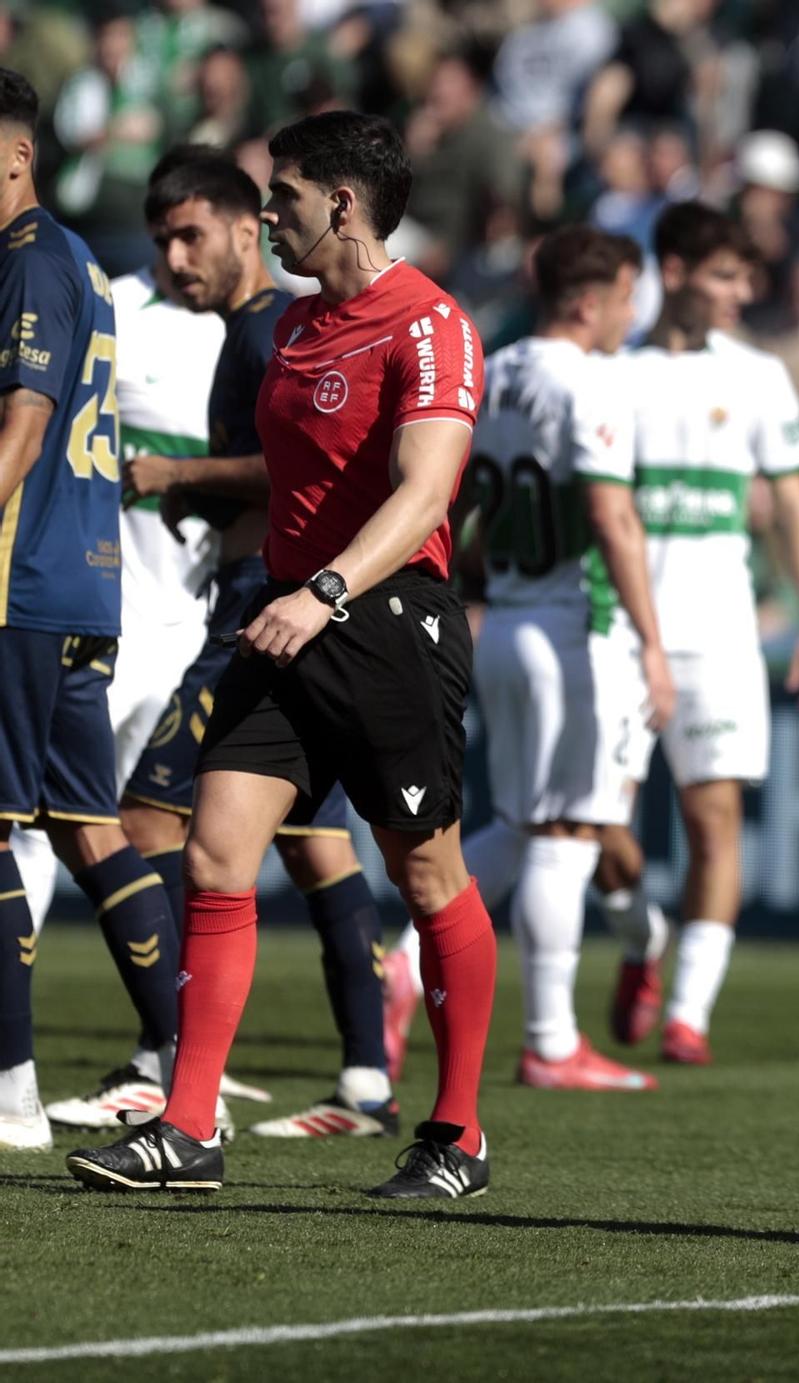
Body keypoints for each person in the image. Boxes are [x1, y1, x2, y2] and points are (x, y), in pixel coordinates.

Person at [66, 110, 495, 1196]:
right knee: (215, 852)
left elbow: (426, 492)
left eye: (285, 196)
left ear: (343, 203)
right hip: (281, 620)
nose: (268, 215)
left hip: (387, 620)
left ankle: (456, 1134)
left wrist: (331, 590)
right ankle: (190, 1126)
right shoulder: (300, 327)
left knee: (426, 868)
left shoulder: (430, 322)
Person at [101, 147, 401, 1141]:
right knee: (314, 844)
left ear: (245, 229)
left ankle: (172, 1066)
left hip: (261, 610)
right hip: (278, 604)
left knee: (145, 825)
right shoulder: (253, 331)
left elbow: (297, 475)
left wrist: (178, 479)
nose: (176, 259)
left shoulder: (274, 330)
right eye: (160, 242)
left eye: (193, 235)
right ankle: (364, 1080)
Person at [597, 202, 799, 1066]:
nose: (743, 293)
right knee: (597, 828)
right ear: (674, 268)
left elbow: (796, 506)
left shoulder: (756, 375)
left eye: (747, 276)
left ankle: (689, 1012)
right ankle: (639, 938)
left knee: (716, 821)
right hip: (618, 631)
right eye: (726, 276)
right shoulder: (611, 371)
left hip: (721, 634)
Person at [0, 67, 185, 1153]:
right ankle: (178, 1066)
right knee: (87, 827)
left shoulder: (28, 265)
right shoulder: (78, 264)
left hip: (17, 583)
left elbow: (23, 427)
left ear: (18, 156)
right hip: (84, 579)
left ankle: (12, 1091)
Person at [457, 224, 674, 1091]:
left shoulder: (497, 368)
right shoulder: (588, 381)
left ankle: (401, 965)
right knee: (567, 832)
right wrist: (654, 646)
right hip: (570, 627)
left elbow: (465, 502)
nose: (632, 314)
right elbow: (614, 519)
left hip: (503, 619)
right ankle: (550, 1040)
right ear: (589, 301)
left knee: (517, 823)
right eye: (626, 296)